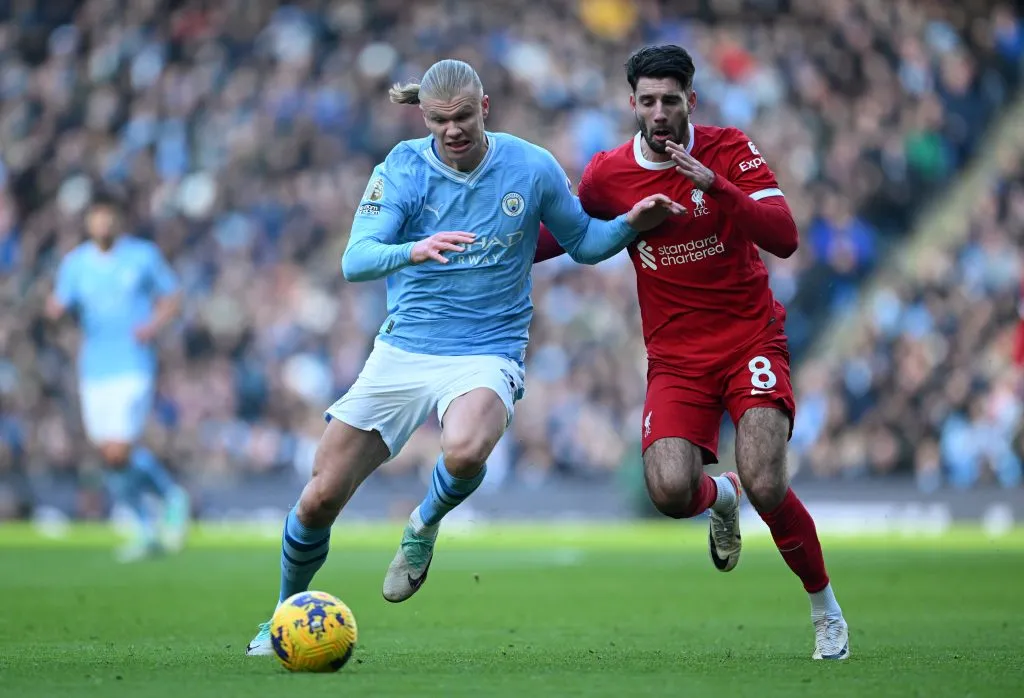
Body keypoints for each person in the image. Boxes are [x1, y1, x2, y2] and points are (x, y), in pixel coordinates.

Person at [245, 58, 684, 656]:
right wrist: (414, 248)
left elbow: (583, 243)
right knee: (319, 498)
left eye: (461, 118)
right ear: (423, 118)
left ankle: (422, 525)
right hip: (403, 350)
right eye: (438, 120)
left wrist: (631, 224)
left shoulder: (529, 166)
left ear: (485, 108)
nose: (451, 130)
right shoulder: (402, 167)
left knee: (466, 446)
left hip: (488, 348)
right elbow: (355, 259)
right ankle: (279, 618)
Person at [533, 44, 850, 661]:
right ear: (632, 104)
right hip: (676, 359)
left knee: (766, 479)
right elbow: (562, 237)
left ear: (691, 101)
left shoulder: (729, 148)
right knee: (670, 490)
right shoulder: (607, 176)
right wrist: (499, 244)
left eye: (669, 101)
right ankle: (719, 496)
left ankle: (825, 610)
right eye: (646, 101)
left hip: (749, 338)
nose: (657, 112)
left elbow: (783, 237)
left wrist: (720, 187)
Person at [46, 192, 190, 563]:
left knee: (119, 448)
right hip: (94, 366)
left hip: (132, 363)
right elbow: (60, 306)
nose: (103, 223)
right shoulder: (75, 264)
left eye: (109, 216)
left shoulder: (142, 256)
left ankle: (168, 498)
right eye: (97, 217)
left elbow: (173, 297)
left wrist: (152, 325)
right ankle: (148, 525)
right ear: (89, 222)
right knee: (108, 454)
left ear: (118, 220)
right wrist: (55, 311)